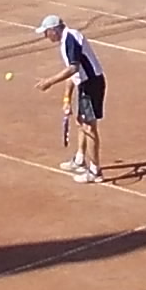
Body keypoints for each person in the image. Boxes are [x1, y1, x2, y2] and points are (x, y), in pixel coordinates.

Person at [36, 13, 106, 183]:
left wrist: (49, 82)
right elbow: (73, 75)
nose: (45, 36)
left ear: (54, 30)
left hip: (92, 85)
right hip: (86, 84)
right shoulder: (67, 40)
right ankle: (80, 161)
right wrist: (67, 99)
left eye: (46, 32)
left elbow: (73, 69)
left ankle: (95, 171)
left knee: (89, 127)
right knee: (81, 122)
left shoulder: (70, 39)